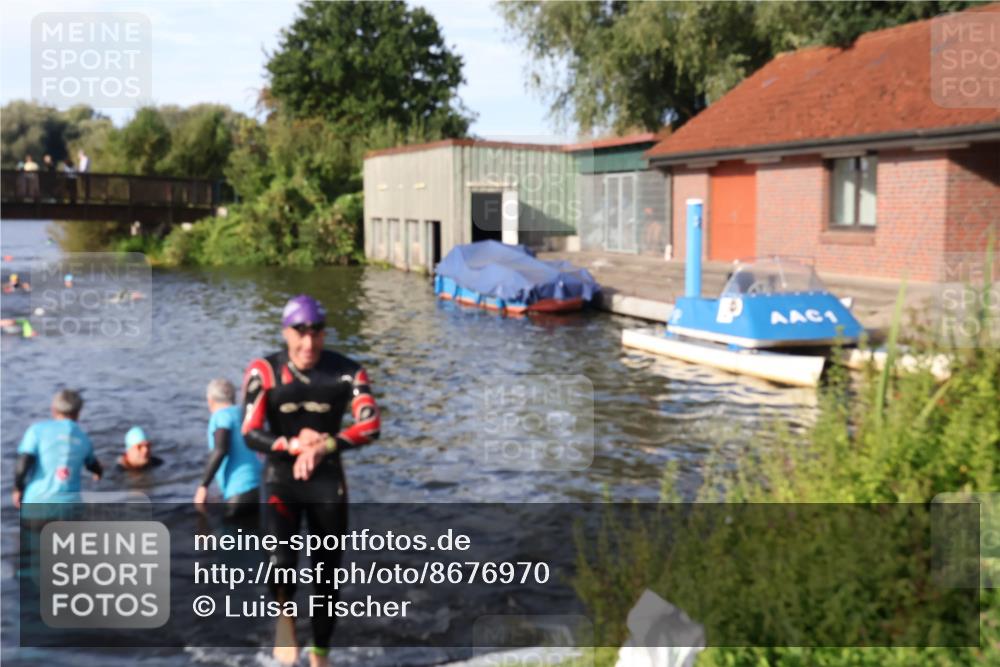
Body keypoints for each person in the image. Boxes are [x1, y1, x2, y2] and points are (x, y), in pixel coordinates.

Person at [241, 294, 381, 667]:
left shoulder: (347, 372)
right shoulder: (264, 372)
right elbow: (249, 432)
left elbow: (370, 425)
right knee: (280, 559)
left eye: (316, 332)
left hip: (326, 477)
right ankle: (285, 617)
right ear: (286, 333)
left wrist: (324, 446)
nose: (308, 343)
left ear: (324, 332)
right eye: (299, 333)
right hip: (281, 476)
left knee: (327, 573)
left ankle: (320, 655)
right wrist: (290, 444)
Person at [13, 389, 103, 508]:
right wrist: (98, 472)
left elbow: (23, 463)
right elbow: (93, 465)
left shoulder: (36, 431)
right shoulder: (84, 439)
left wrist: (18, 488)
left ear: (53, 409)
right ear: (78, 413)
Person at [194, 379, 261, 518]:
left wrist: (203, 486)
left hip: (239, 493)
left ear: (210, 401)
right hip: (262, 490)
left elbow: (220, 450)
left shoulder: (220, 416)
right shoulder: (244, 413)